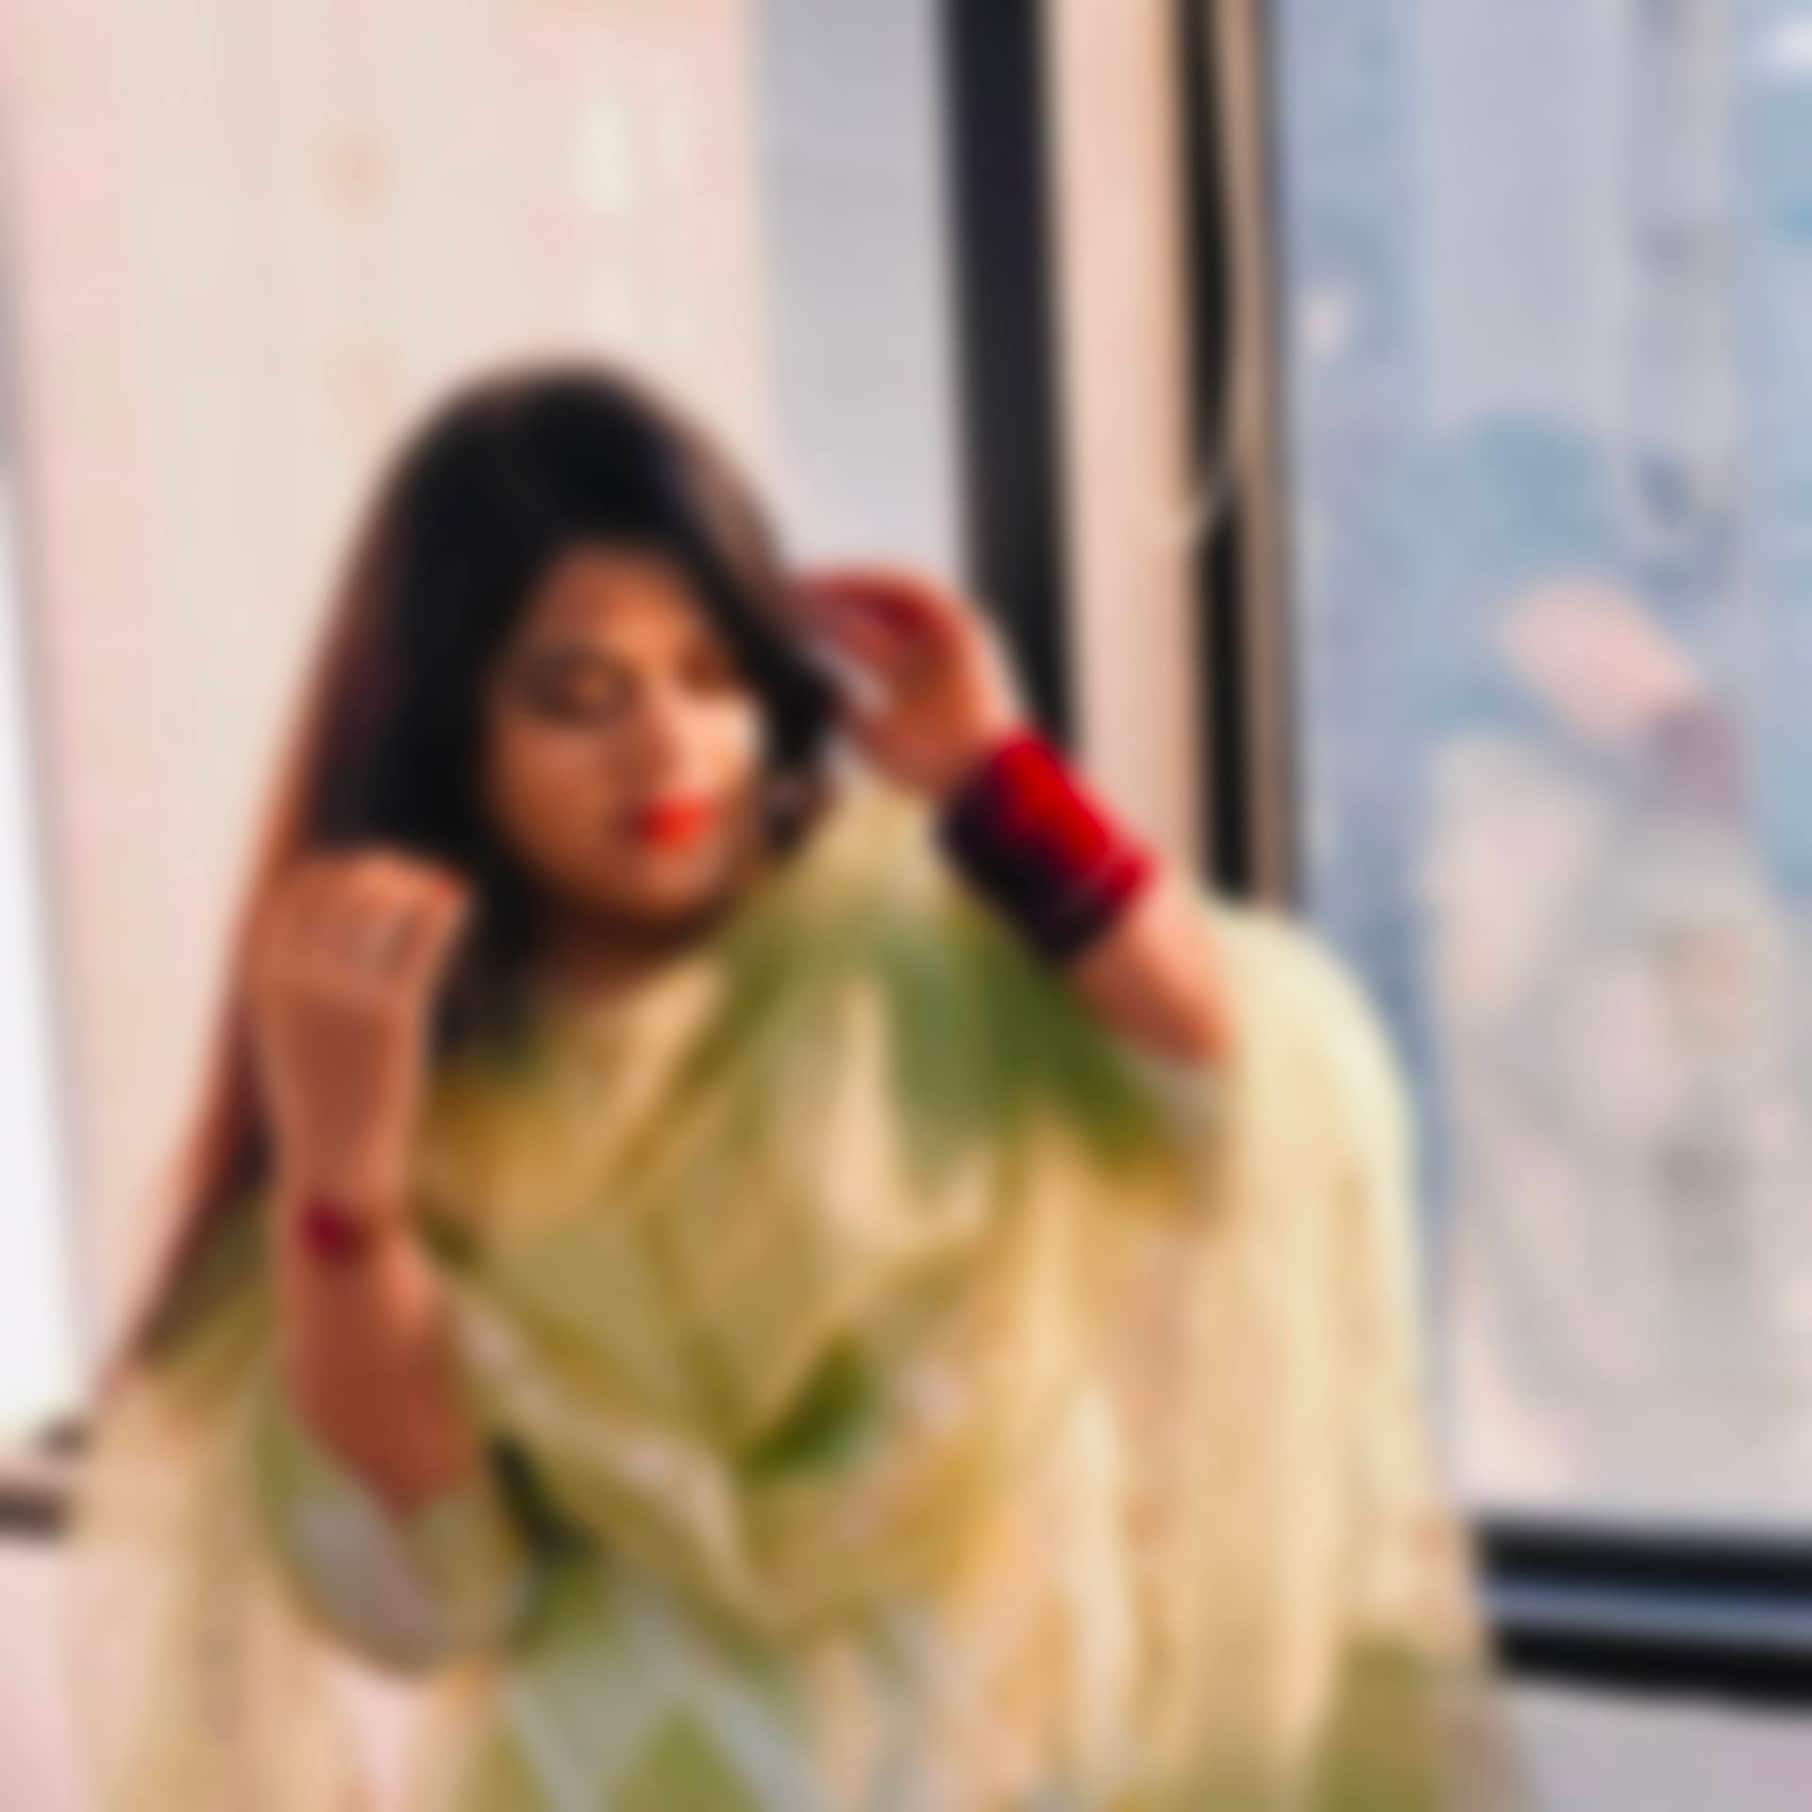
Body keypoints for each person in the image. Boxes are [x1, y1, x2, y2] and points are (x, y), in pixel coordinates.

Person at [66, 364, 1511, 1811]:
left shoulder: (926, 961)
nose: (666, 749)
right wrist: (343, 1187)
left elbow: (1242, 1096)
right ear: (451, 729)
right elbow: (421, 1601)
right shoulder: (420, 1079)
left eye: (713, 678)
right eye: (578, 697)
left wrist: (998, 778)